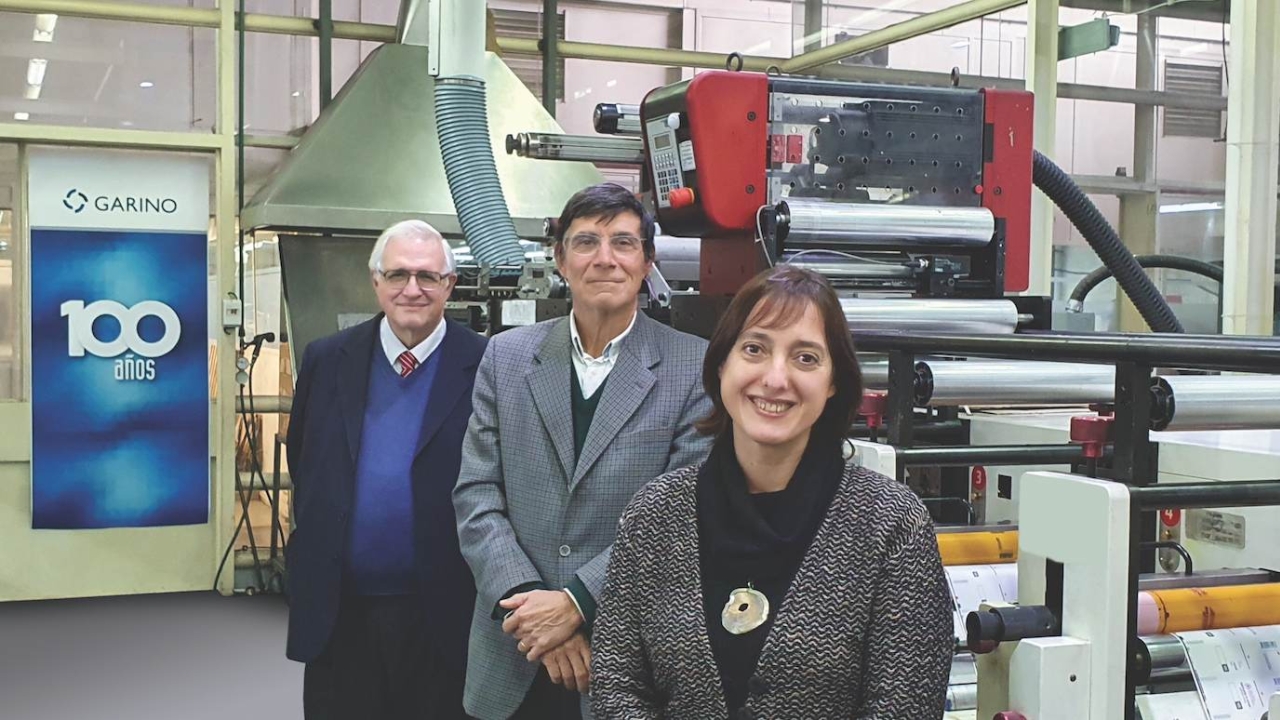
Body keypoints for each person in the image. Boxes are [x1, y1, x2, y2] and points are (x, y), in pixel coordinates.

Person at [591, 265, 954, 719]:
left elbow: (905, 708)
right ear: (722, 363)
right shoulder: (652, 517)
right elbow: (616, 685)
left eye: (806, 358)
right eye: (755, 349)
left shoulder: (891, 525)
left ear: (833, 382)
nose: (776, 378)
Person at [453, 183, 713, 720]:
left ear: (647, 262)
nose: (605, 259)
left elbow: (680, 517)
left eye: (623, 242)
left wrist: (576, 603)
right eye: (586, 242)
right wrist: (533, 611)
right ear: (561, 260)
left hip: (622, 654)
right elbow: (477, 494)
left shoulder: (693, 368)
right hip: (513, 647)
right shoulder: (506, 357)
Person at [285, 220, 485, 720]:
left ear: (450, 284)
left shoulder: (488, 364)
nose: (411, 289)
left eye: (427, 276)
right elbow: (304, 461)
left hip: (444, 612)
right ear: (375, 281)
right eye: (397, 275)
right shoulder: (327, 359)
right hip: (340, 611)